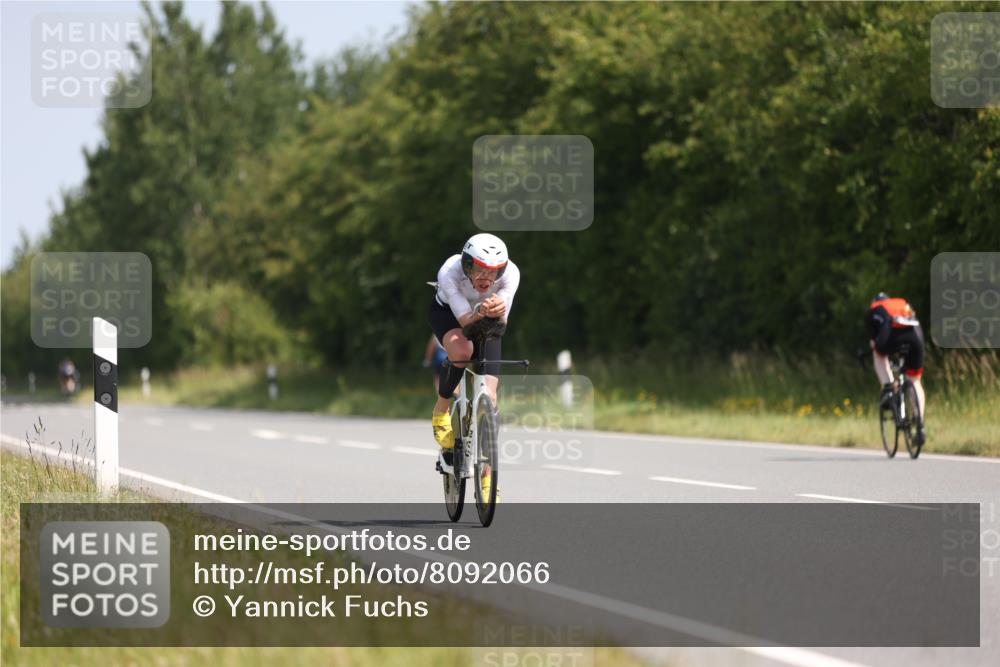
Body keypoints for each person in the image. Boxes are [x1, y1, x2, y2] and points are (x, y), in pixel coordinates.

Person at [427, 233, 520, 461]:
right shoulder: (450, 272)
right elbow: (467, 325)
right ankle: (441, 409)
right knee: (462, 352)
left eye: (493, 271)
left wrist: (498, 312)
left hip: (486, 318)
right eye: (479, 269)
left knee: (490, 395)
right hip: (449, 314)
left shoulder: (511, 274)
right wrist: (481, 312)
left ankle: (488, 474)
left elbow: (499, 328)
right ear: (467, 264)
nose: (486, 277)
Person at [865, 293, 926, 446]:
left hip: (890, 336)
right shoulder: (902, 302)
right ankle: (919, 423)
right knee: (915, 381)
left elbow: (874, 341)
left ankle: (888, 387)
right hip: (915, 337)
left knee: (878, 353)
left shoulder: (874, 309)